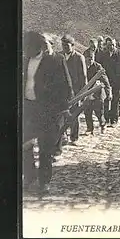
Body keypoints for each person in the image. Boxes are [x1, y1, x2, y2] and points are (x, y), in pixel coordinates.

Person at [23, 31, 73, 194]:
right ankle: (29, 177)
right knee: (25, 145)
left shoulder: (55, 61)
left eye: (28, 48)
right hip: (28, 109)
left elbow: (65, 86)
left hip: (47, 111)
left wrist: (63, 109)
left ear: (38, 47)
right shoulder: (24, 60)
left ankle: (44, 182)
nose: (25, 51)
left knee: (45, 148)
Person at [61, 34, 88, 145]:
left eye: (67, 45)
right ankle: (63, 136)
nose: (65, 48)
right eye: (63, 45)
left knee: (74, 114)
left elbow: (83, 77)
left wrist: (83, 94)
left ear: (72, 45)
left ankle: (74, 137)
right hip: (61, 91)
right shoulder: (59, 56)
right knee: (61, 114)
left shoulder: (79, 57)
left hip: (75, 92)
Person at [83, 49, 112, 136]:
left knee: (99, 112)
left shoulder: (98, 67)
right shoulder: (82, 66)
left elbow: (105, 80)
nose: (90, 60)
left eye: (91, 58)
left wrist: (109, 92)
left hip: (97, 93)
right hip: (86, 93)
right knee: (87, 112)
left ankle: (103, 124)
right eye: (88, 59)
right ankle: (89, 128)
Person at [100, 37, 120, 125]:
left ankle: (114, 119)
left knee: (115, 100)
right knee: (106, 100)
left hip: (117, 81)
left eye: (112, 45)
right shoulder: (103, 55)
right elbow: (100, 67)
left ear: (115, 45)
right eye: (108, 45)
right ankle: (106, 119)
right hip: (106, 81)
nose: (110, 47)